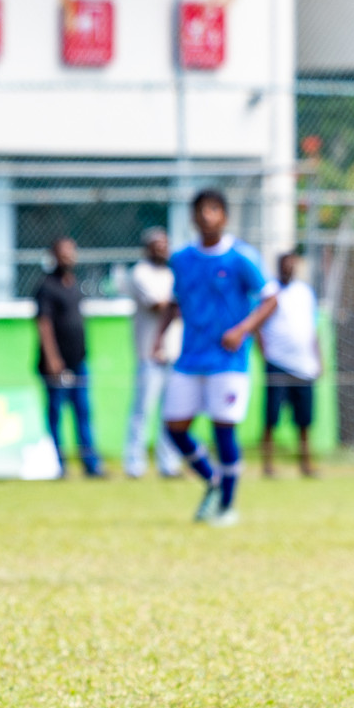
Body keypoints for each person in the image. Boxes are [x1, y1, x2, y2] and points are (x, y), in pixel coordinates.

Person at [154, 190, 278, 527]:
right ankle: (212, 479)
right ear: (193, 217)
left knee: (224, 428)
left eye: (214, 209)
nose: (207, 216)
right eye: (201, 210)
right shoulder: (182, 259)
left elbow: (270, 299)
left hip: (228, 360)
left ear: (224, 216)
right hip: (190, 358)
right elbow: (176, 302)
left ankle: (227, 505)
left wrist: (243, 329)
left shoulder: (242, 257)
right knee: (174, 427)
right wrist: (159, 336)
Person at [34, 237, 104, 478]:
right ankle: (57, 464)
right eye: (62, 253)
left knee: (83, 413)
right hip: (56, 365)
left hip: (78, 362)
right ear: (53, 256)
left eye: (70, 253)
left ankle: (91, 465)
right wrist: (52, 358)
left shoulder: (74, 284)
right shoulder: (46, 286)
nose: (67, 257)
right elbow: (43, 323)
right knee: (55, 414)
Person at [124, 230, 183, 479]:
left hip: (174, 354)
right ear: (147, 247)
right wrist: (186, 302)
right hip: (149, 354)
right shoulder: (139, 273)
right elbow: (159, 306)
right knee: (142, 411)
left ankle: (168, 465)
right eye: (157, 245)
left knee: (172, 413)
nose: (162, 248)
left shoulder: (172, 274)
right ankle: (134, 465)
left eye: (165, 244)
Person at [258, 251, 322, 478]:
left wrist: (318, 358)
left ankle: (306, 464)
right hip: (277, 363)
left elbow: (313, 328)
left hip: (304, 365)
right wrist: (264, 354)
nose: (288, 269)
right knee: (271, 418)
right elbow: (256, 324)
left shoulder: (305, 292)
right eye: (284, 265)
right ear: (278, 267)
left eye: (292, 265)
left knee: (304, 420)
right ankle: (267, 465)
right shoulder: (269, 292)